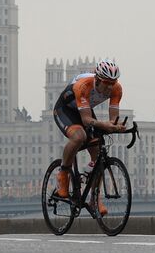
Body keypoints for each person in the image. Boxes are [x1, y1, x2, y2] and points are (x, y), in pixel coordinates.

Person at [52, 59, 125, 203]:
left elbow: (113, 119)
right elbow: (86, 120)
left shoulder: (117, 89)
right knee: (79, 137)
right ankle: (63, 174)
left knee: (98, 152)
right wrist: (106, 125)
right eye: (106, 83)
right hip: (65, 110)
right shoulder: (83, 85)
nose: (110, 87)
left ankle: (94, 199)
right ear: (97, 80)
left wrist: (118, 127)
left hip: (84, 109)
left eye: (113, 83)